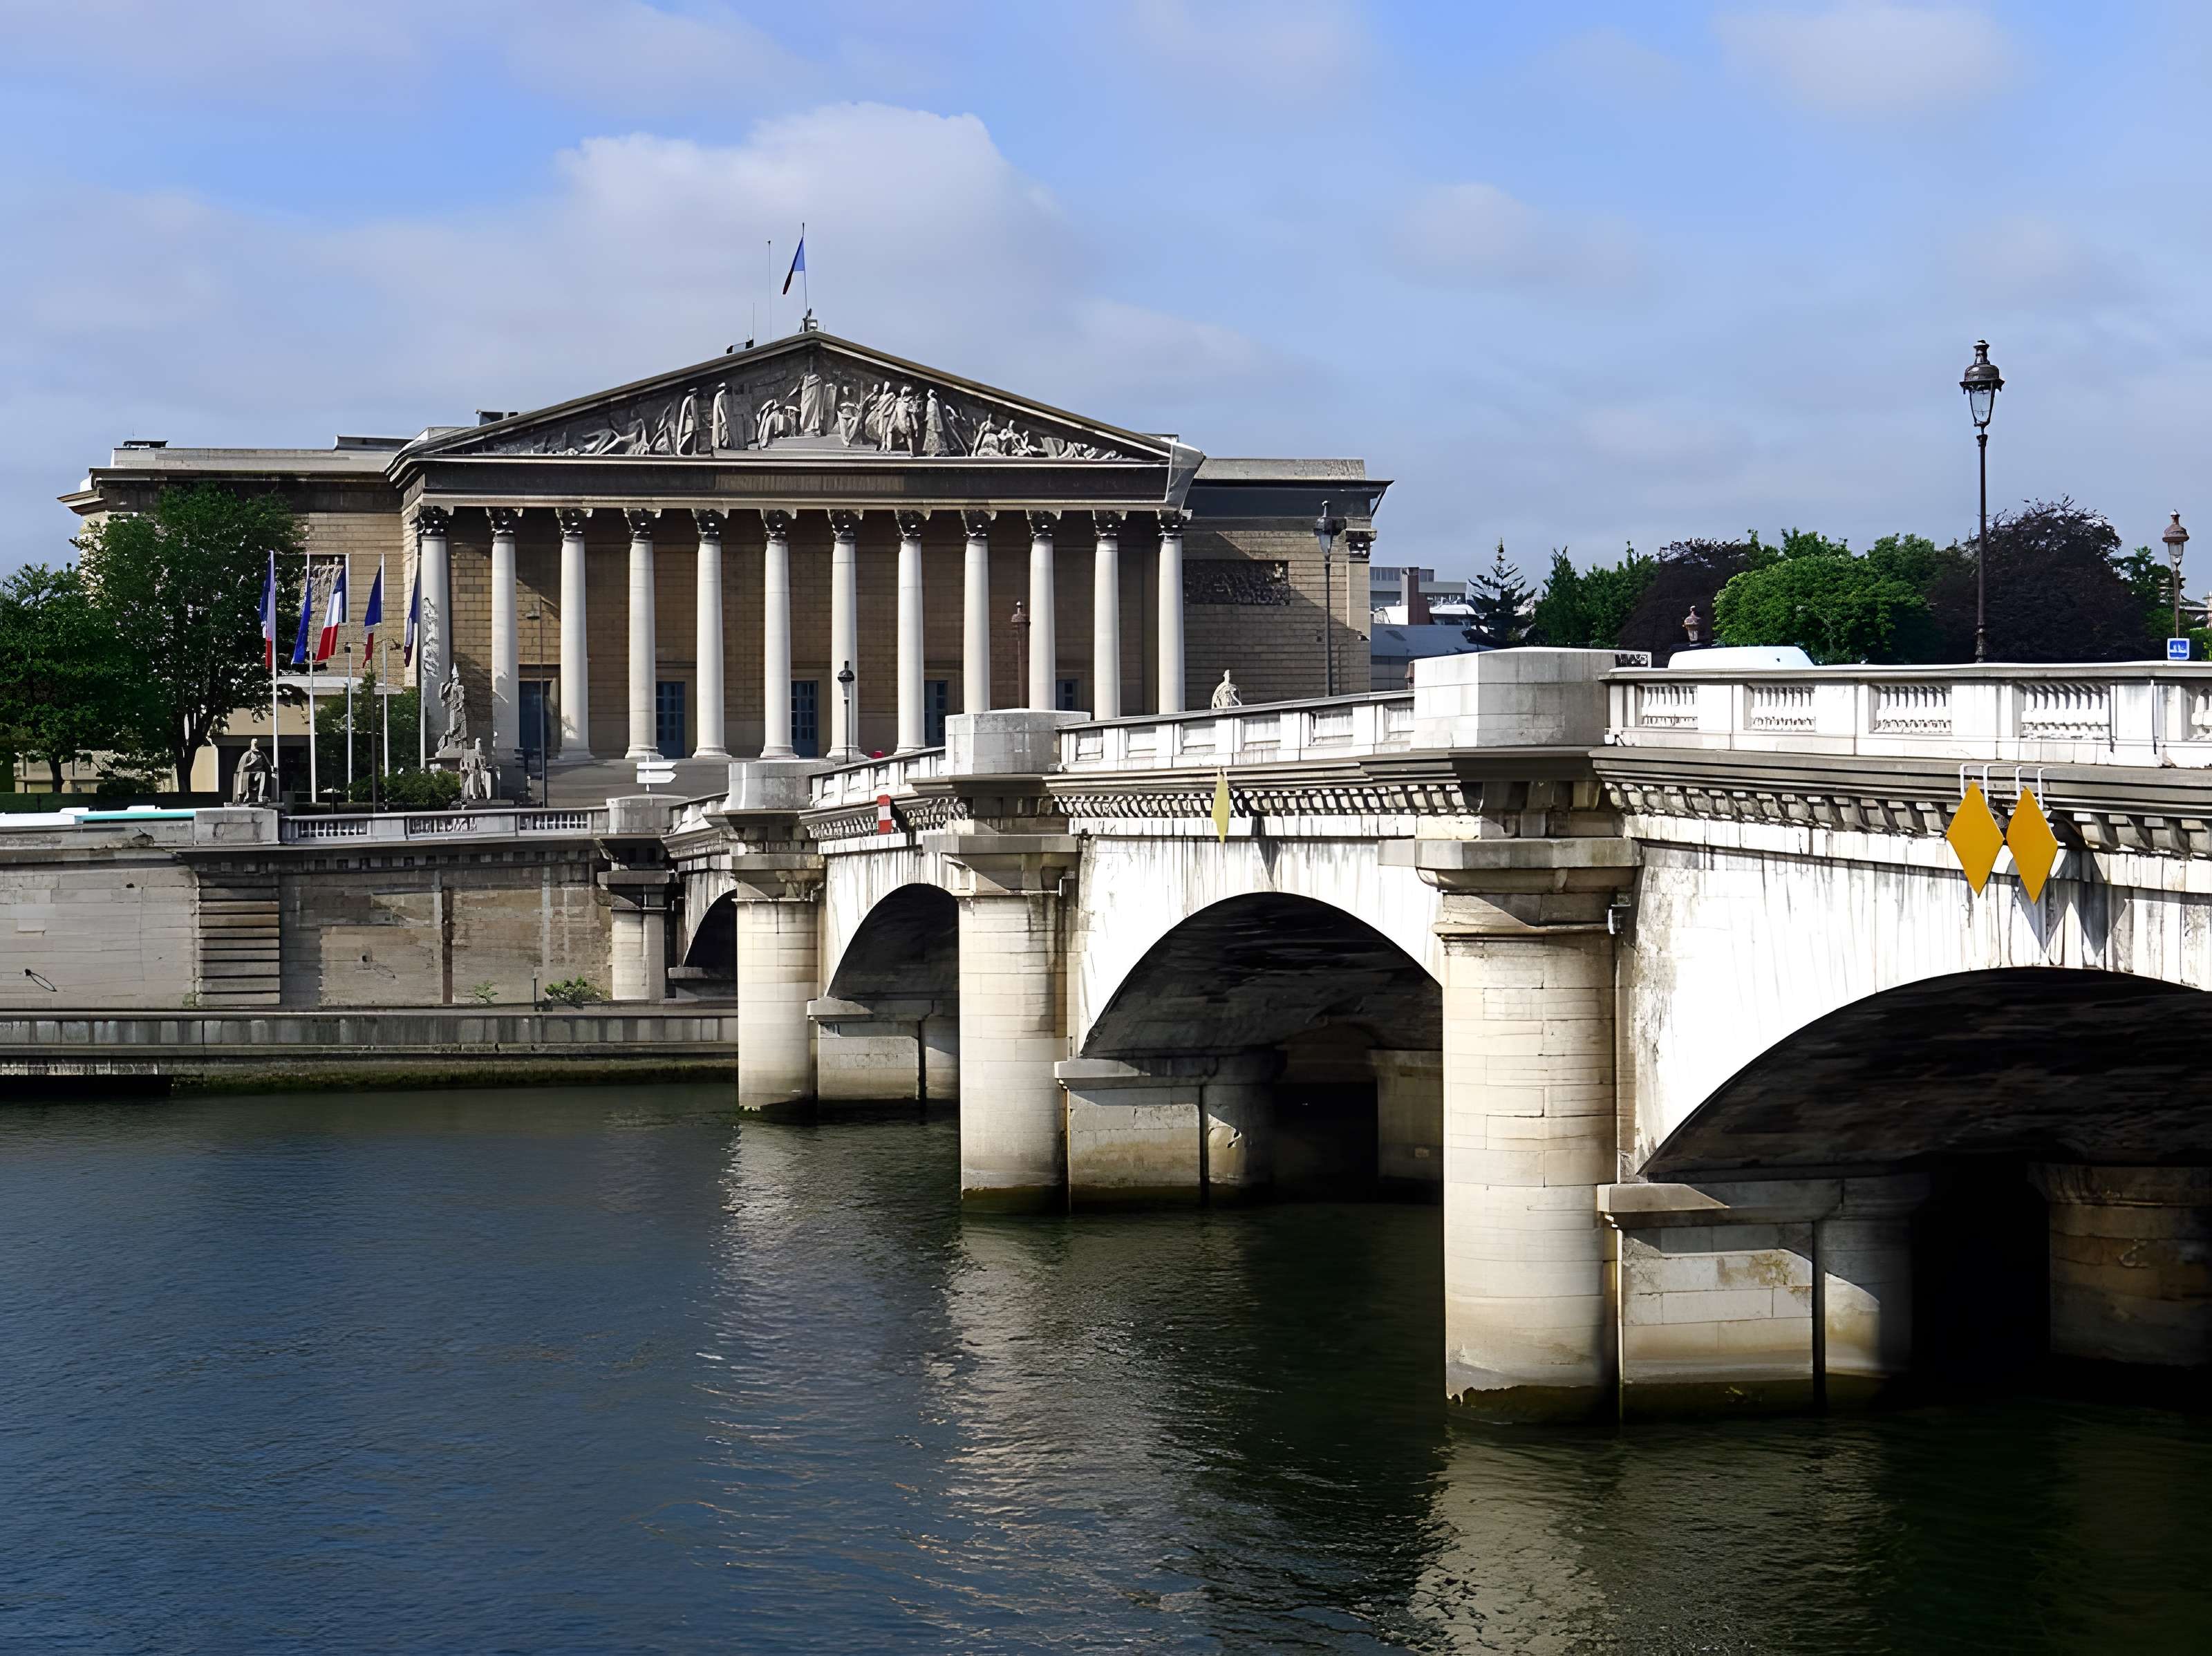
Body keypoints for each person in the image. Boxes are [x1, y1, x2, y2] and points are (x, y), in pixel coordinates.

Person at [231, 737, 272, 805]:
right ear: (251, 744)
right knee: (247, 779)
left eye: (256, 743)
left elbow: (267, 761)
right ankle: (245, 796)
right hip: (249, 774)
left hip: (259, 773)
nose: (255, 744)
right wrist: (251, 762)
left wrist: (271, 766)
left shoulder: (261, 753)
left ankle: (260, 796)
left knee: (262, 774)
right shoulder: (248, 754)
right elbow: (242, 766)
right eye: (254, 743)